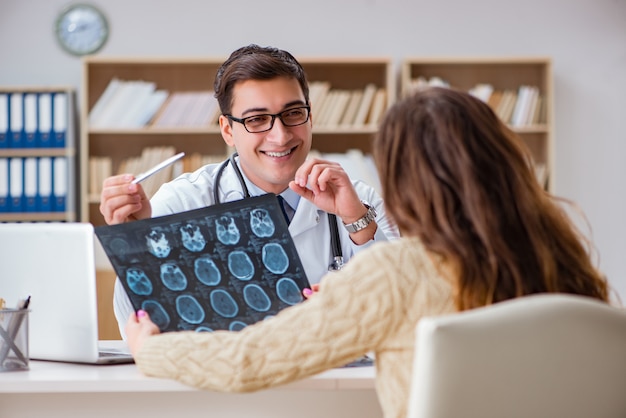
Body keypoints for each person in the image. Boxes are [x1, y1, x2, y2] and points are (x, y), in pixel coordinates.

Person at [124, 86, 611, 418]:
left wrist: (153, 350)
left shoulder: (399, 272)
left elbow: (245, 362)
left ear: (406, 181)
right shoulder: (560, 254)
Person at [99, 44, 400, 338]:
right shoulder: (183, 201)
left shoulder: (359, 200)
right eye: (256, 119)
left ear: (310, 117)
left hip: (331, 383)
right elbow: (135, 328)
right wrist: (133, 245)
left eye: (293, 113)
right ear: (228, 130)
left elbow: (401, 309)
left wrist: (355, 220)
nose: (280, 136)